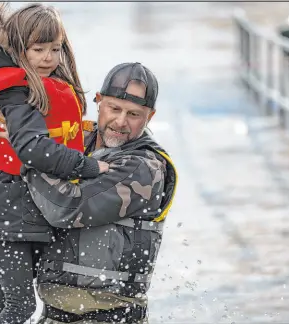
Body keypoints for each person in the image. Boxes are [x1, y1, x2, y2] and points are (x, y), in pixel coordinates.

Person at [0, 3, 109, 324]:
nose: (48, 58)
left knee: (8, 302)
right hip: (5, 202)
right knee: (20, 306)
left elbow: (62, 133)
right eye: (38, 49)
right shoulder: (16, 93)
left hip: (34, 202)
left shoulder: (46, 86)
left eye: (55, 49)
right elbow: (34, 150)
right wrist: (90, 168)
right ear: (19, 49)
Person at [20, 62, 179, 323]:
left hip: (109, 316)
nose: (121, 121)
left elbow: (68, 208)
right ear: (98, 101)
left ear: (150, 116)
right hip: (54, 314)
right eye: (114, 108)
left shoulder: (144, 167)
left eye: (134, 114)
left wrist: (29, 156)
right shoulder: (74, 138)